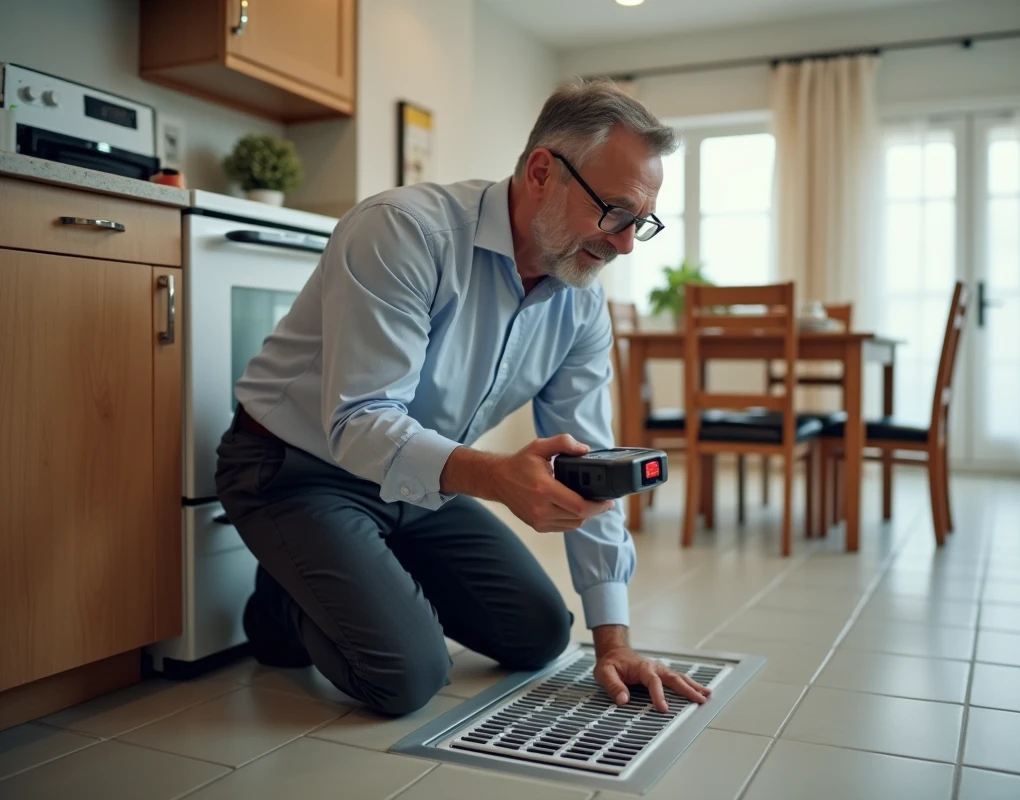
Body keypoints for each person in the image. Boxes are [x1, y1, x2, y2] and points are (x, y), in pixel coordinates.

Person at [214, 79, 712, 717]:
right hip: (294, 468)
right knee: (406, 677)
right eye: (614, 212)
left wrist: (612, 642)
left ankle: (354, 566)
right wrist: (498, 478)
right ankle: (285, 598)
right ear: (541, 172)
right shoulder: (403, 232)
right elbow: (360, 422)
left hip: (414, 480)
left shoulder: (581, 303)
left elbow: (595, 461)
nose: (621, 244)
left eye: (638, 224)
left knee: (538, 634)